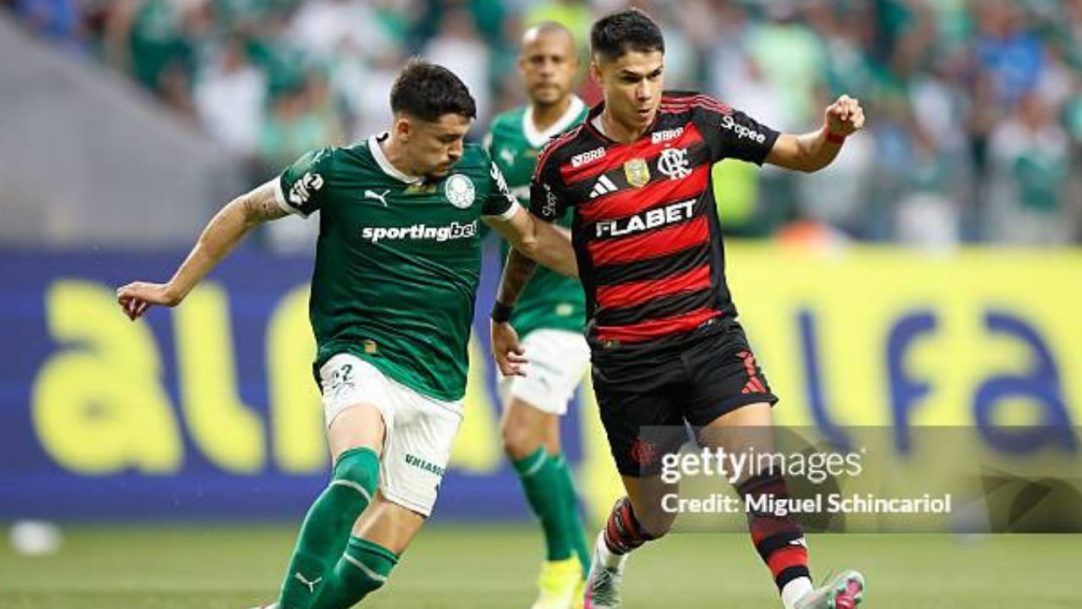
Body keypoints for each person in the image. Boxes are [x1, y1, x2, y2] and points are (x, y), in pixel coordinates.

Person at [117, 59, 576, 609]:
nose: (456, 150)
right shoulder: (336, 172)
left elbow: (529, 235)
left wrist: (613, 268)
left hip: (440, 382)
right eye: (445, 139)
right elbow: (245, 210)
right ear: (404, 128)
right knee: (356, 471)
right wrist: (175, 288)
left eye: (462, 138)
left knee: (372, 568)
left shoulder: (474, 173)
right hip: (360, 354)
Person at [490, 9, 866, 609]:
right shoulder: (565, 161)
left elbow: (799, 152)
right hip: (628, 362)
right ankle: (607, 559)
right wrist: (502, 313)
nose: (644, 92)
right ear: (599, 76)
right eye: (630, 78)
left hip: (711, 338)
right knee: (656, 517)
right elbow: (532, 242)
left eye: (654, 76)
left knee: (760, 474)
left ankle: (799, 597)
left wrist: (834, 135)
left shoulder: (698, 120)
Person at [485, 22, 591, 609]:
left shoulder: (593, 133)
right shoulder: (501, 133)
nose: (546, 68)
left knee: (518, 436)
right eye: (536, 60)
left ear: (574, 68)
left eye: (557, 59)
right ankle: (585, 582)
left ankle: (559, 573)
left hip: (574, 311)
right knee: (543, 446)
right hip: (518, 312)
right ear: (522, 68)